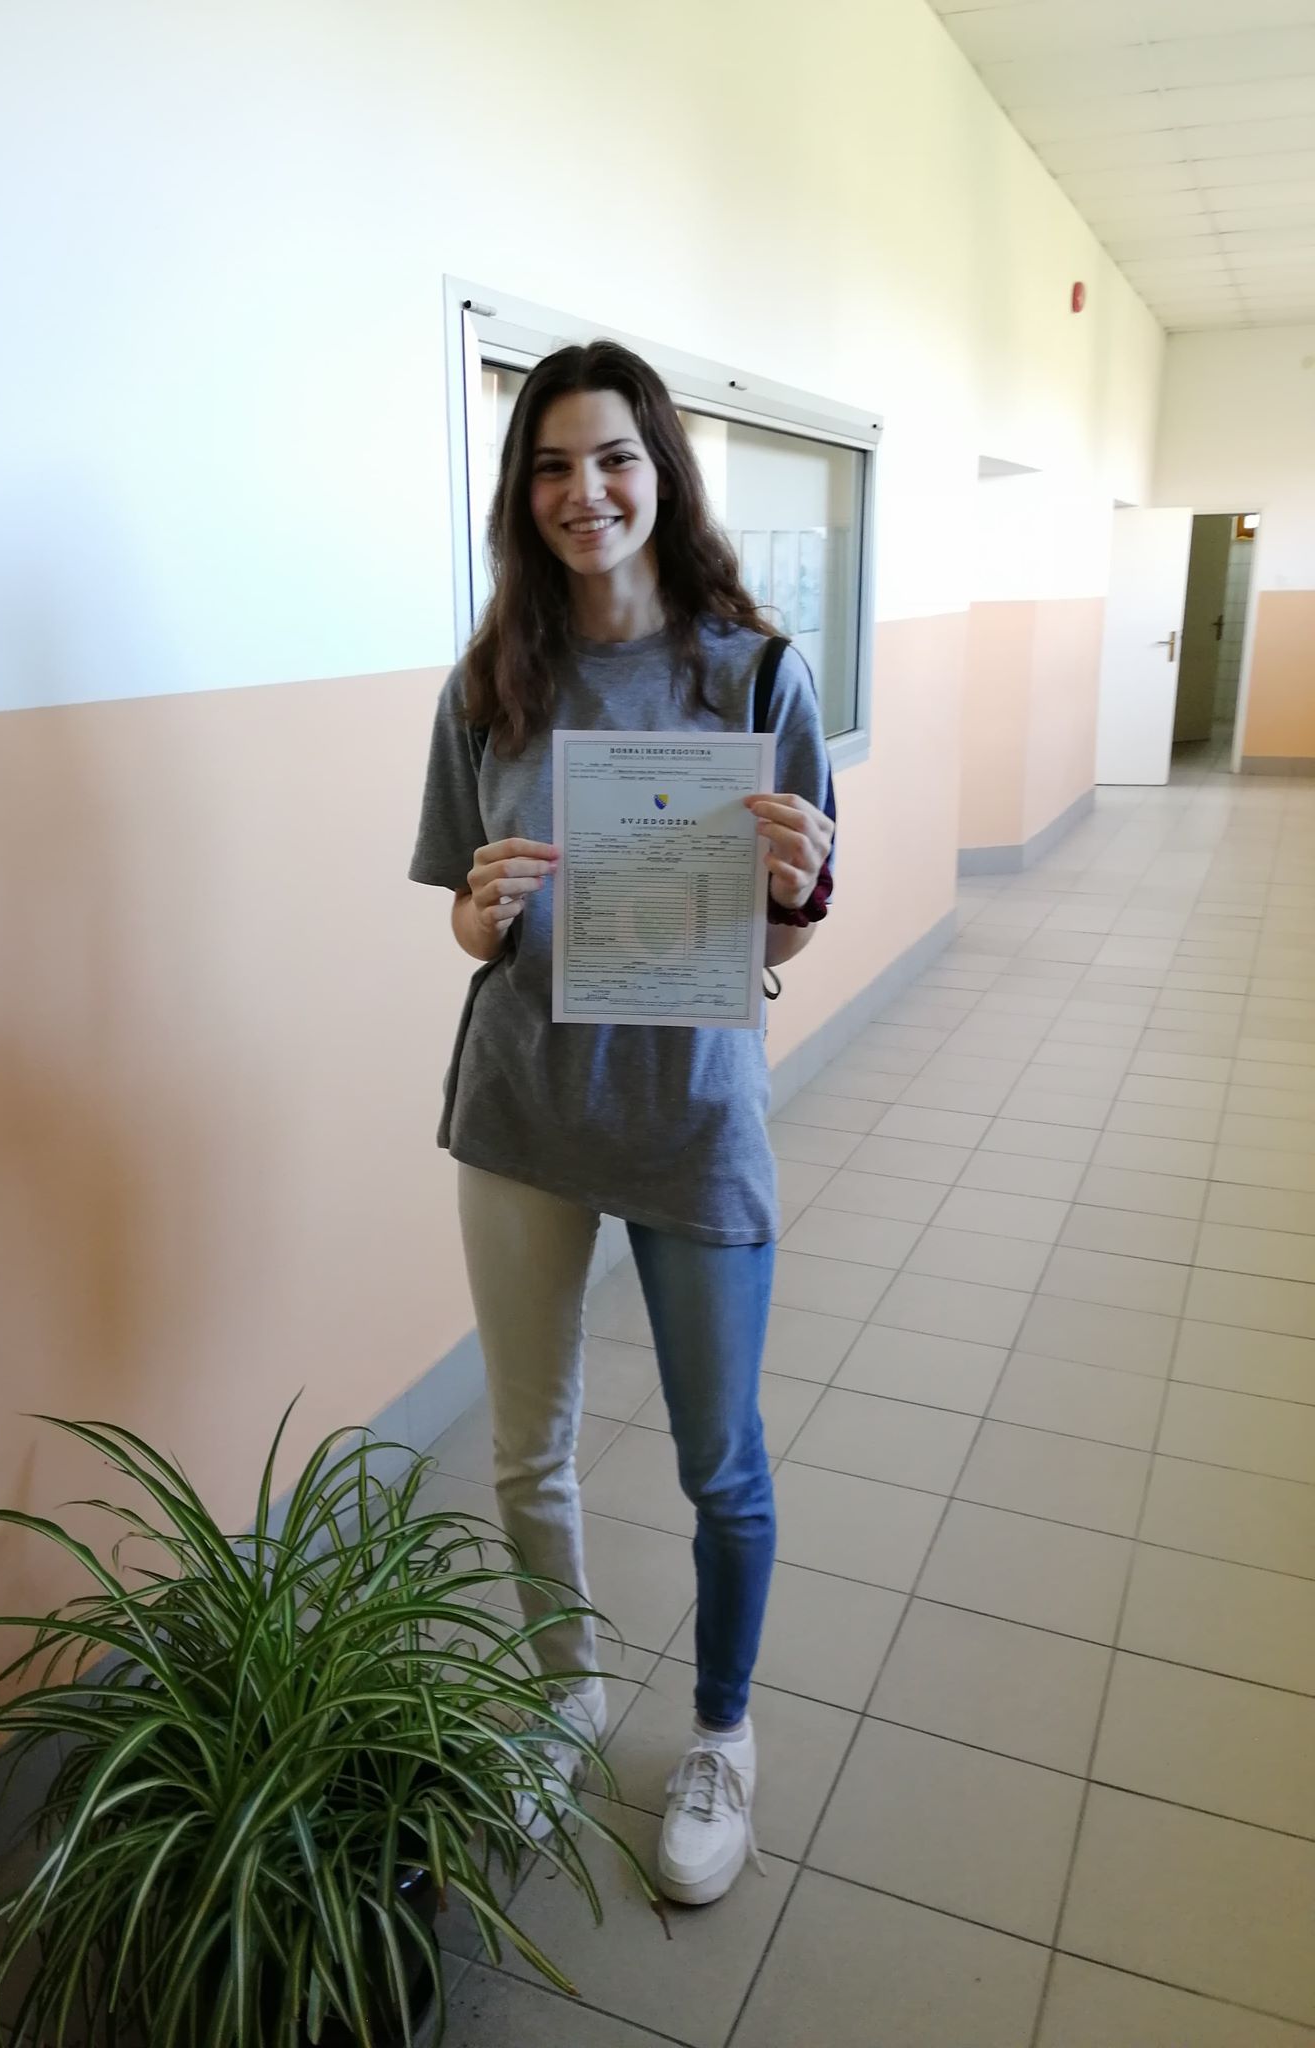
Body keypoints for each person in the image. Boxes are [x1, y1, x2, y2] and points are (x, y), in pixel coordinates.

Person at [408, 339, 835, 1907]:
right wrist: (481, 911)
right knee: (530, 1453)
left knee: (722, 1464)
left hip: (689, 1118)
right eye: (550, 467)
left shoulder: (754, 675)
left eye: (612, 460)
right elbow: (469, 919)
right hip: (525, 1107)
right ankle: (566, 1692)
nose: (582, 493)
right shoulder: (489, 683)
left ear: (662, 473)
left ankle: (721, 1735)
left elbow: (779, 934)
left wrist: (796, 889)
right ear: (520, 495)